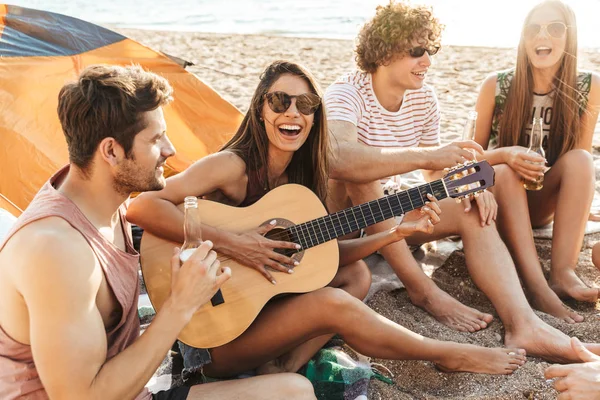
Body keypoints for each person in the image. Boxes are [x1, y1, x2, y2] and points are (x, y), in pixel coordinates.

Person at [128, 60, 527, 377]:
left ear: (316, 116)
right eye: (280, 101)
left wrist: (394, 235)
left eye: (306, 105)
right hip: (208, 334)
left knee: (357, 277)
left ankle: (283, 365)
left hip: (250, 314)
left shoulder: (302, 179)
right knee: (332, 303)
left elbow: (326, 251)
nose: (293, 113)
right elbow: (142, 207)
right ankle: (445, 353)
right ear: (261, 109)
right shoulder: (233, 166)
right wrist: (238, 244)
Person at [0, 64, 317, 400]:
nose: (170, 150)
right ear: (111, 151)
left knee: (292, 391)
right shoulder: (54, 250)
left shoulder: (103, 202)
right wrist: (181, 304)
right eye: (155, 139)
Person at [324, 0, 597, 361]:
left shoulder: (424, 98)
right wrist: (428, 154)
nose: (428, 61)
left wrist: (468, 184)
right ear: (383, 51)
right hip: (342, 225)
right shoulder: (347, 92)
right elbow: (339, 160)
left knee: (474, 207)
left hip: (397, 215)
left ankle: (523, 323)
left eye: (431, 50)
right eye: (417, 51)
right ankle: (424, 290)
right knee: (363, 173)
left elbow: (434, 175)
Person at [473, 0, 600, 307]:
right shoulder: (497, 85)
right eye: (533, 29)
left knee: (582, 159)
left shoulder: (589, 85)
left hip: (542, 204)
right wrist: (507, 156)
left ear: (570, 35)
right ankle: (535, 284)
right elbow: (469, 161)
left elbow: (578, 160)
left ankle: (562, 273)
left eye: (555, 28)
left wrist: (582, 209)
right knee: (507, 171)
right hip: (498, 201)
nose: (542, 36)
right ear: (523, 38)